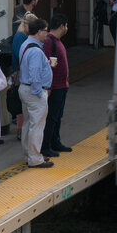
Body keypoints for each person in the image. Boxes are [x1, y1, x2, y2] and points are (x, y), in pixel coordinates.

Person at [19, 19, 54, 169]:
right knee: (37, 125)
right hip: (34, 92)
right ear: (39, 31)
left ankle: (28, 154)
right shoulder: (36, 51)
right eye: (46, 30)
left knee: (28, 123)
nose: (47, 34)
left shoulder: (25, 45)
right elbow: (34, 75)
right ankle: (35, 158)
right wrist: (40, 92)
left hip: (25, 89)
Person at [41, 14, 71, 158]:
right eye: (66, 25)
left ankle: (55, 142)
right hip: (55, 86)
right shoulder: (49, 41)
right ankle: (46, 145)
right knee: (52, 117)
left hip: (62, 85)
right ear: (61, 26)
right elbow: (46, 64)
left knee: (58, 116)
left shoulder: (57, 41)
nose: (67, 28)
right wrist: (49, 87)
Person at [10, 11, 38, 139]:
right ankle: (20, 131)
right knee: (21, 104)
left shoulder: (24, 36)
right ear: (26, 25)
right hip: (20, 74)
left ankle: (22, 130)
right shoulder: (20, 37)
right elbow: (19, 56)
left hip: (22, 73)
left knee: (23, 104)